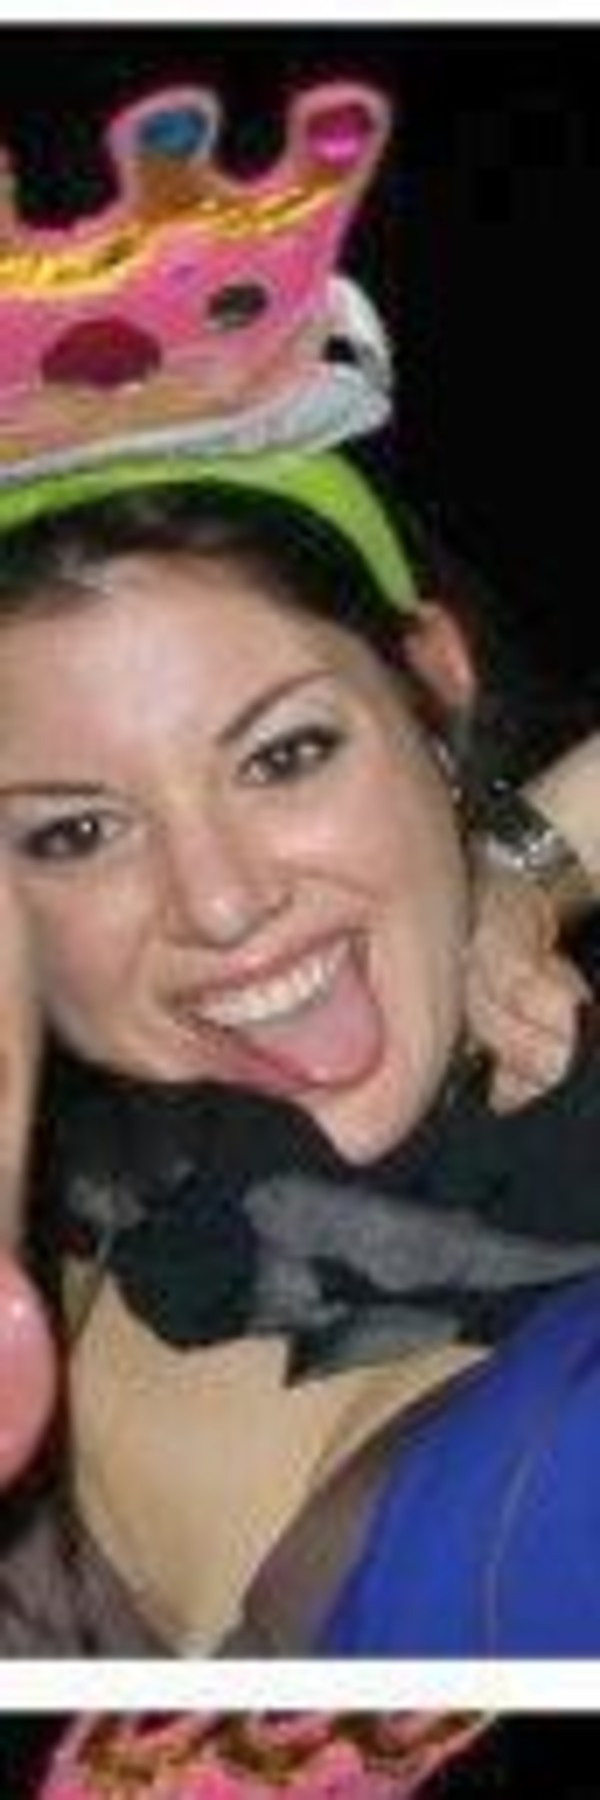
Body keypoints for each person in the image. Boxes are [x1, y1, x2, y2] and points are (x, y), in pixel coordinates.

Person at [2, 76, 600, 1657]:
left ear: (434, 693)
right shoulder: (89, 1270)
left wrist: (528, 867)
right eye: (75, 831)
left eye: (285, 754)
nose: (221, 901)